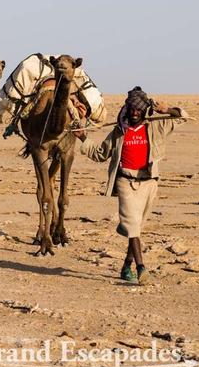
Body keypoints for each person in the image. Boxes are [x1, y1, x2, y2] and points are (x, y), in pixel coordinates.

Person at [72, 87, 188, 284]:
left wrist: (166, 109)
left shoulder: (156, 126)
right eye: (132, 109)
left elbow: (183, 116)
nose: (134, 113)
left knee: (137, 228)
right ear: (127, 109)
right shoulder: (119, 131)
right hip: (125, 181)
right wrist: (83, 137)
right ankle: (141, 269)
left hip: (149, 182)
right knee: (132, 227)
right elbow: (100, 154)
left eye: (138, 110)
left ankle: (126, 265)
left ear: (144, 111)